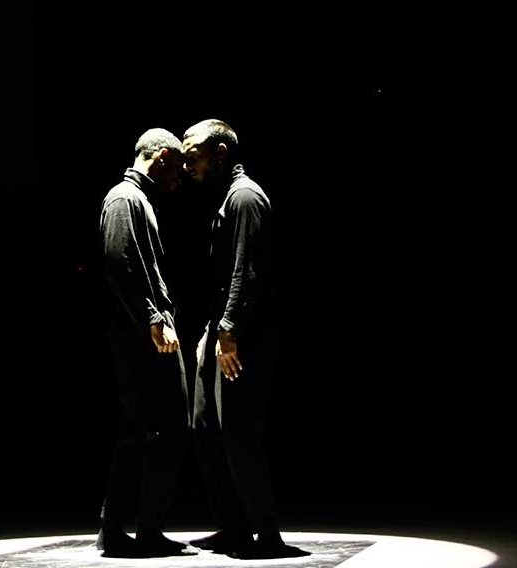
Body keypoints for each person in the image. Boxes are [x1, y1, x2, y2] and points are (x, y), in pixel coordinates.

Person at [182, 119, 307, 559]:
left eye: (193, 154)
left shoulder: (246, 197)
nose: (187, 163)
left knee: (238, 433)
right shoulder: (227, 198)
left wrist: (229, 330)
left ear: (220, 152)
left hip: (243, 334)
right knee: (204, 427)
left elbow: (246, 270)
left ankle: (267, 534)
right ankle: (234, 527)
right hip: (220, 329)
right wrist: (211, 331)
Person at [96, 128, 197, 558]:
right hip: (141, 334)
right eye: (177, 169)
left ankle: (119, 530)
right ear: (161, 157)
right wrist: (153, 319)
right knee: (163, 428)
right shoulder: (124, 198)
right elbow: (119, 261)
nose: (180, 177)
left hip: (141, 330)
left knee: (141, 431)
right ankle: (140, 530)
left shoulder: (135, 198)